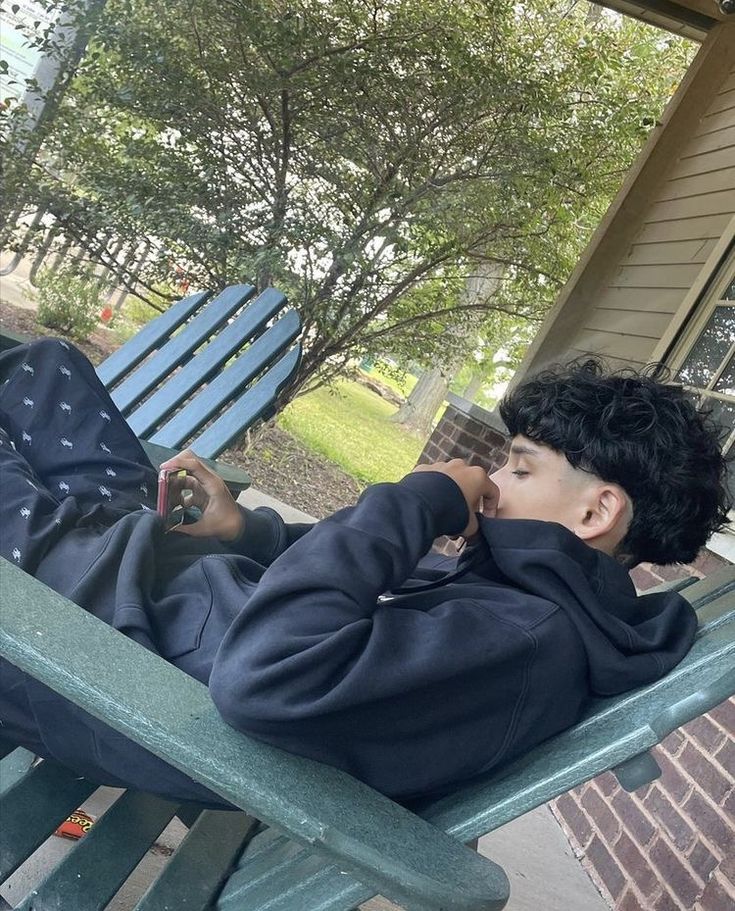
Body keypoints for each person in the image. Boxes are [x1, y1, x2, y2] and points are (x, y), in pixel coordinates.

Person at [0, 338, 730, 806]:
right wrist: (244, 529)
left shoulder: (525, 637)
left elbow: (268, 673)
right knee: (45, 364)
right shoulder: (524, 595)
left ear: (595, 512)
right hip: (141, 584)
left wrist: (420, 498)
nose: (492, 478)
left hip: (93, 641)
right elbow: (341, 597)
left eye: (519, 466)